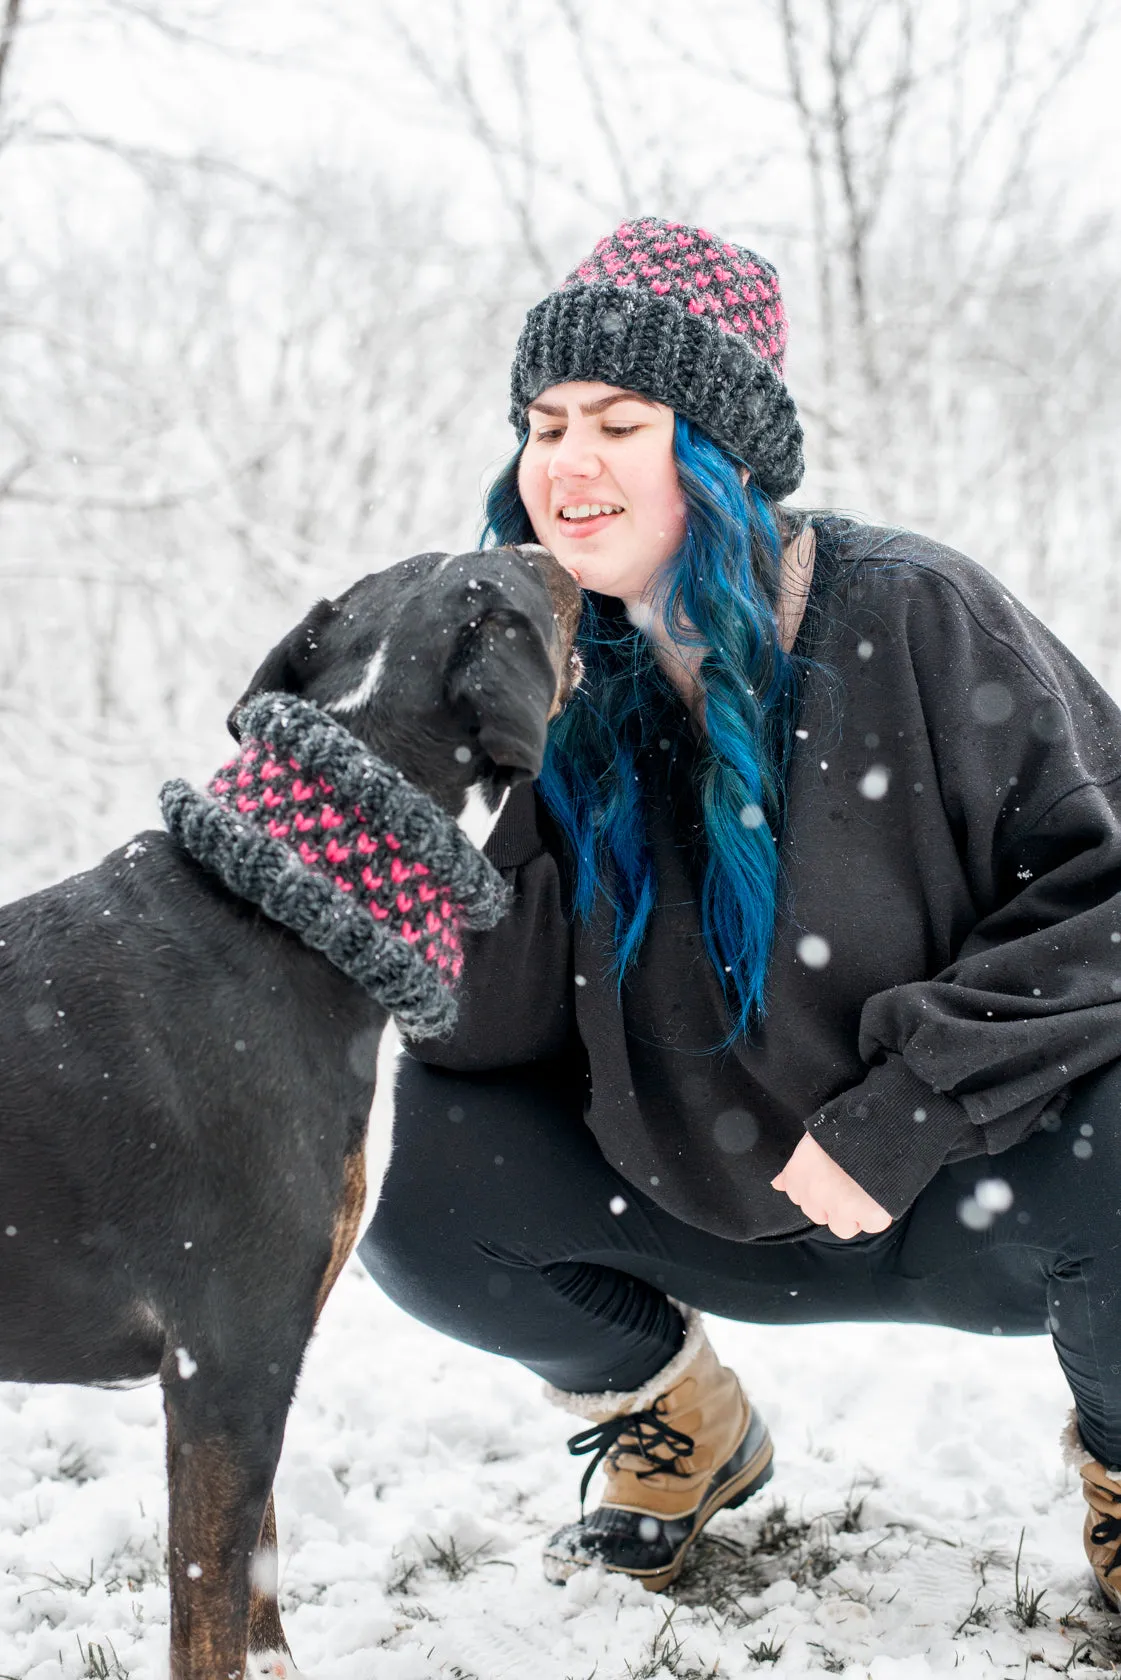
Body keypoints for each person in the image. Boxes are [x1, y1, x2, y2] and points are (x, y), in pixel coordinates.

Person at [358, 215, 1121, 1603]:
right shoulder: (572, 669)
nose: (566, 463)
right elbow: (486, 1038)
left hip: (964, 1189)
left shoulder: (915, 615)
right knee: (422, 1193)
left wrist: (913, 1107)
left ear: (712, 452)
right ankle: (682, 1422)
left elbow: (1106, 896)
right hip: (708, 1199)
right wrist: (499, 777)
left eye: (619, 421)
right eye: (543, 423)